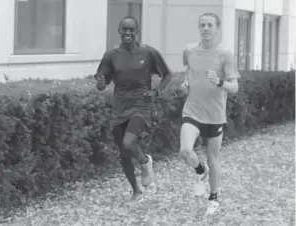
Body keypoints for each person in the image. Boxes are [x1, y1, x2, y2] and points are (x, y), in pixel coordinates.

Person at [94, 16, 172, 205]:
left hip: (141, 105)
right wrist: (100, 83)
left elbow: (168, 75)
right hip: (119, 107)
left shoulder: (148, 53)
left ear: (137, 32)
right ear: (119, 31)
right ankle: (136, 191)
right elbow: (101, 84)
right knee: (124, 153)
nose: (128, 33)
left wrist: (157, 92)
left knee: (129, 142)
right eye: (124, 29)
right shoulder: (111, 55)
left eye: (132, 30)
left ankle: (145, 162)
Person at [179, 12, 240, 215]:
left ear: (217, 29)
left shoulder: (225, 55)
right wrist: (187, 82)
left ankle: (213, 198)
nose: (206, 28)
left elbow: (235, 87)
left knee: (213, 159)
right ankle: (199, 170)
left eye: (210, 25)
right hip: (192, 110)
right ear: (199, 28)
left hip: (215, 115)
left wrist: (220, 82)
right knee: (185, 150)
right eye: (202, 25)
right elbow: (189, 70)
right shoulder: (189, 50)